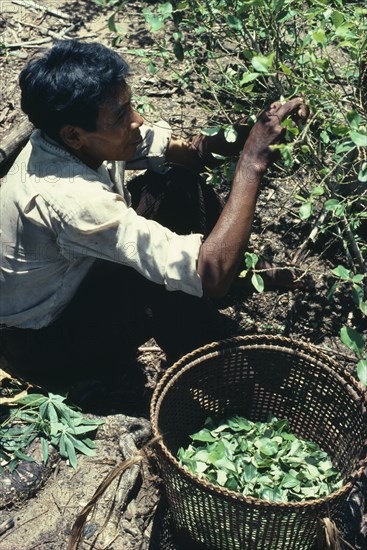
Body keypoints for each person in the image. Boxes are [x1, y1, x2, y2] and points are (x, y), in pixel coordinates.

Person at [0, 40, 308, 394]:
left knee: (177, 184)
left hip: (74, 277)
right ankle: (219, 377)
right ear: (74, 136)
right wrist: (252, 161)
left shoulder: (79, 137)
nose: (137, 120)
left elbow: (191, 154)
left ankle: (239, 274)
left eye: (130, 105)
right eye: (120, 114)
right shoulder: (68, 197)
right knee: (159, 281)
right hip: (44, 345)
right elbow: (210, 277)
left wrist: (254, 130)